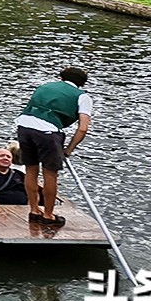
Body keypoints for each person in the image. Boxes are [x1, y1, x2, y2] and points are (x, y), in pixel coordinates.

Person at [15, 66, 93, 226]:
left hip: (24, 126)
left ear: (61, 77)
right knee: (50, 174)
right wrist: (68, 150)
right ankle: (48, 215)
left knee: (31, 170)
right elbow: (83, 128)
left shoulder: (44, 87)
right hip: (48, 132)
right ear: (82, 83)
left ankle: (34, 210)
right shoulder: (82, 96)